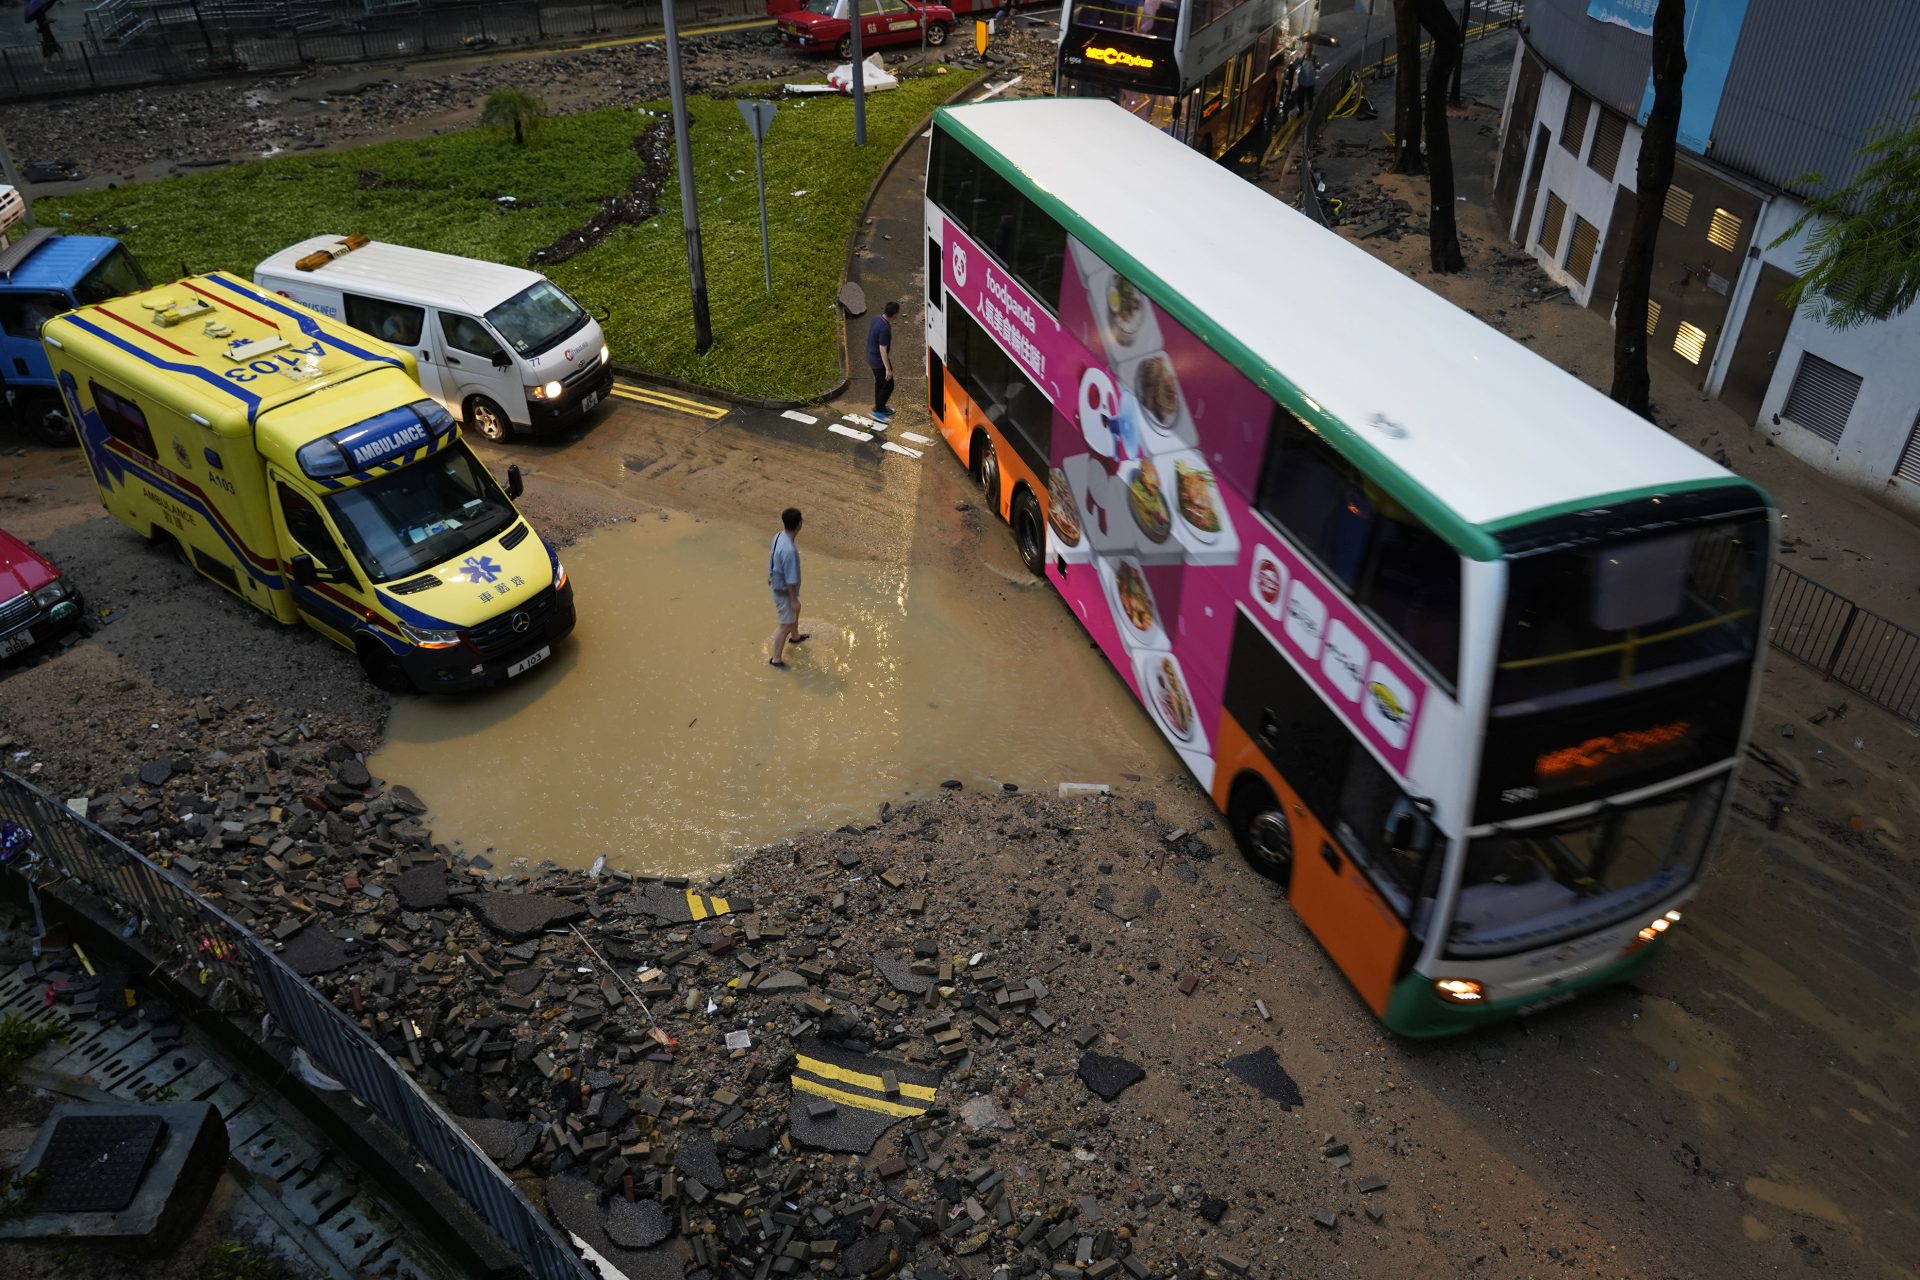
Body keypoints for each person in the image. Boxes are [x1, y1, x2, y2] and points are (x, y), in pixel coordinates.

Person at [767, 507, 806, 669]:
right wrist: (793, 599)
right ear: (799, 524)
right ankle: (776, 660)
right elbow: (790, 580)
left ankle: (795, 636)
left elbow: (773, 555)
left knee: (795, 611)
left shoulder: (778, 536)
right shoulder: (789, 550)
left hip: (777, 583)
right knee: (784, 626)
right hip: (783, 591)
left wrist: (770, 574)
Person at [867, 300, 898, 421]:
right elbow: (882, 349)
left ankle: (880, 407)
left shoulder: (877, 318)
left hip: (871, 356)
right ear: (894, 314)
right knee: (889, 385)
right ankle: (878, 411)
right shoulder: (885, 328)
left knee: (880, 383)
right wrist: (888, 369)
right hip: (878, 361)